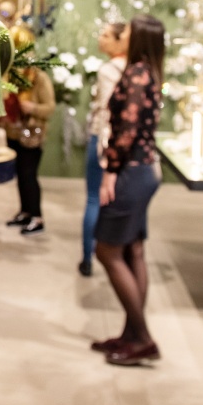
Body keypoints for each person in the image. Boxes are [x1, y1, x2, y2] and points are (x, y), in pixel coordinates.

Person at [93, 13, 165, 366]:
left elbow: (126, 130)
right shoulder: (148, 71)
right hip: (143, 170)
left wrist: (110, 171)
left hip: (132, 172)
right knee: (133, 249)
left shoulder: (136, 75)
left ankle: (143, 338)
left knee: (106, 251)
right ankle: (131, 334)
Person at [79, 22, 129, 277]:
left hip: (103, 139)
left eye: (107, 35)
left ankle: (88, 257)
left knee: (94, 199)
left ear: (121, 40)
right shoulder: (135, 69)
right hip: (123, 143)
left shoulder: (110, 70)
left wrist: (105, 149)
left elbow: (110, 111)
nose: (101, 38)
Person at [5, 64, 56, 236]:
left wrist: (32, 108)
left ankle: (37, 217)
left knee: (29, 175)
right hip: (13, 132)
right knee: (20, 174)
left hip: (32, 134)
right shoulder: (9, 75)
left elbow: (50, 107)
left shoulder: (39, 77)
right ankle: (25, 212)